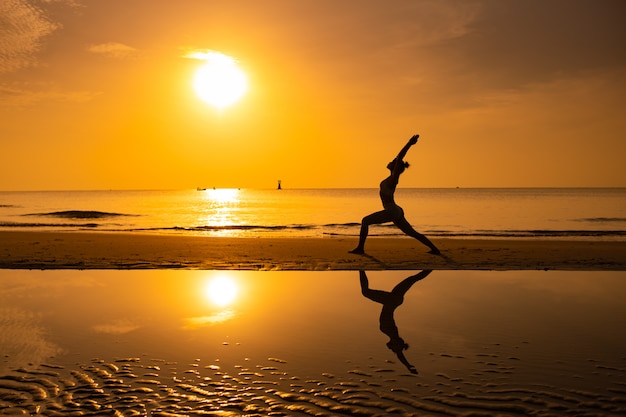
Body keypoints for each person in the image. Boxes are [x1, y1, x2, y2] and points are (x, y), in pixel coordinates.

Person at [349, 134, 440, 255]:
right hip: (395, 210)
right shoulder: (390, 178)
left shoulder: (393, 178)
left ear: (396, 167)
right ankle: (435, 249)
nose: (390, 161)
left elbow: (400, 156)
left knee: (365, 221)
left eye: (393, 162)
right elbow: (398, 159)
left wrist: (409, 143)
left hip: (392, 210)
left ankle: (360, 248)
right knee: (412, 233)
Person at [360, 270, 432, 374]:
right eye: (393, 348)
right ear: (396, 343)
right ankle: (361, 269)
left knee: (412, 279)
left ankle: (430, 268)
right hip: (391, 300)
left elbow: (398, 352)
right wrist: (407, 365)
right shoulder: (391, 331)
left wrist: (408, 366)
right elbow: (399, 353)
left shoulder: (390, 333)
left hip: (394, 300)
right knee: (365, 292)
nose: (389, 348)